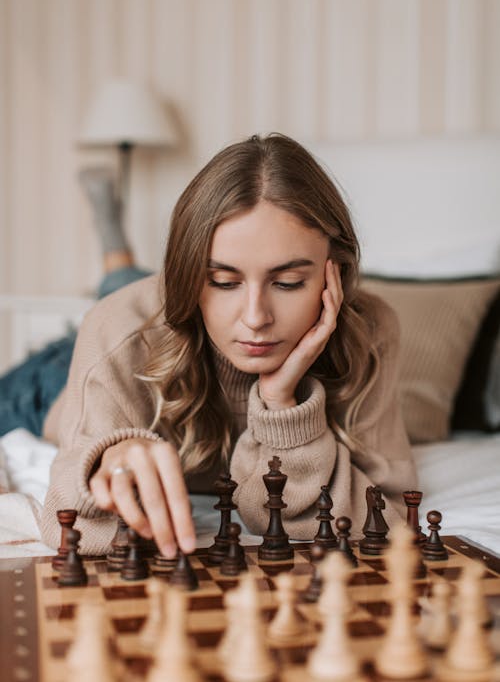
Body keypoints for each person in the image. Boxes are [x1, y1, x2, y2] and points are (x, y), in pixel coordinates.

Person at [40, 133, 417, 557]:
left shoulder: (371, 329)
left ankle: (124, 260)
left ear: (337, 272)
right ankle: (114, 246)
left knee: (127, 290)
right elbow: (71, 525)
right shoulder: (116, 331)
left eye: (288, 283)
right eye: (222, 282)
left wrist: (281, 402)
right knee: (116, 298)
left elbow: (389, 514)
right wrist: (106, 458)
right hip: (49, 385)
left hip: (157, 316)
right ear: (189, 277)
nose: (256, 318)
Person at [0, 168, 151, 438]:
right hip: (73, 377)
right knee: (134, 304)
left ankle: (111, 239)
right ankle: (111, 238)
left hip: (58, 380)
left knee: (128, 306)